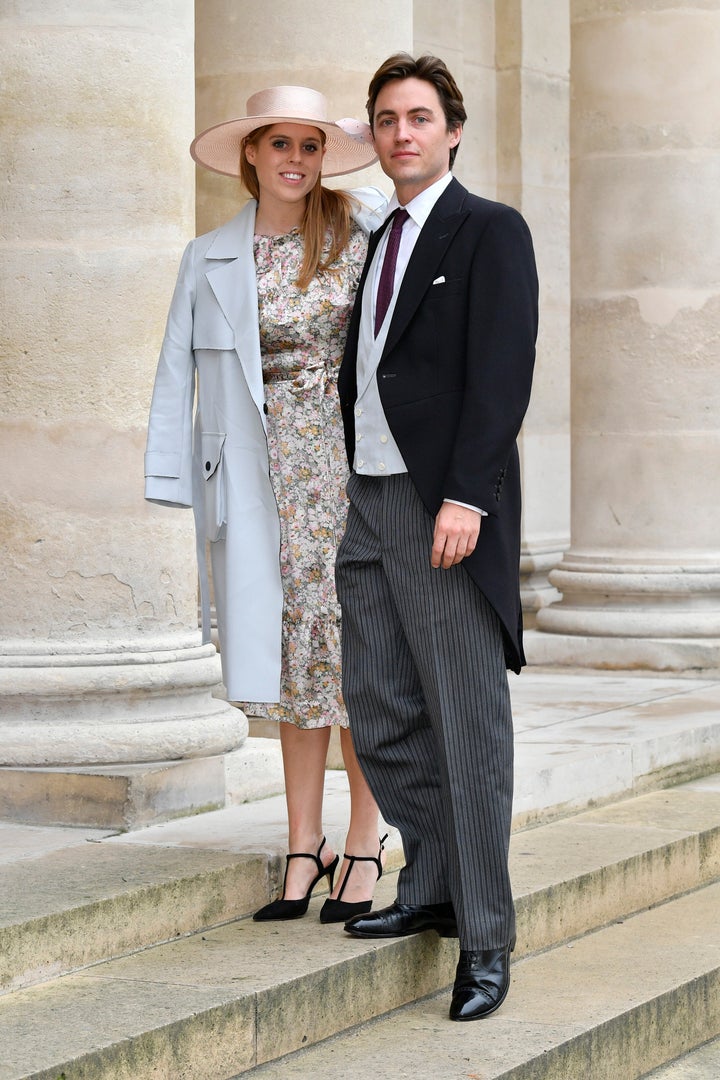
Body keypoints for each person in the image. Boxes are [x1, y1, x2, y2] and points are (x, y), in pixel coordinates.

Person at [144, 85, 389, 925]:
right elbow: (176, 368)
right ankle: (300, 844)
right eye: (278, 143)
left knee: (355, 646)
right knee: (292, 658)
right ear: (250, 154)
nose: (294, 159)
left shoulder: (359, 235)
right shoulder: (209, 254)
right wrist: (170, 478)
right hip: (255, 470)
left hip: (348, 467)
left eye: (310, 145)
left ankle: (364, 836)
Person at [335, 54, 538, 1019]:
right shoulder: (378, 237)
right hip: (369, 498)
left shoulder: (490, 229)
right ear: (373, 137)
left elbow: (501, 373)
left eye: (419, 117)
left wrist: (468, 497)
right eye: (386, 120)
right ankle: (431, 885)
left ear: (453, 130)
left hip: (440, 508)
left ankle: (486, 940)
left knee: (466, 722)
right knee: (377, 705)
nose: (402, 133)